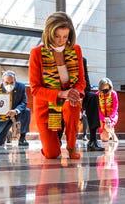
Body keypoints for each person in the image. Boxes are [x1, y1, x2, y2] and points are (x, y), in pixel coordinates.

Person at [29, 11, 86, 159]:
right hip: (46, 106)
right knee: (52, 154)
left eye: (65, 37)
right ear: (49, 33)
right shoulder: (36, 53)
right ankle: (51, 143)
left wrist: (75, 93)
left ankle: (72, 146)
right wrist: (61, 94)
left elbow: (81, 81)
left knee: (73, 104)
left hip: (69, 101)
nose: (61, 41)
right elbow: (35, 89)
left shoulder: (76, 50)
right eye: (57, 36)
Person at [0, 70, 31, 146]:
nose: (9, 85)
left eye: (12, 83)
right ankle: (7, 134)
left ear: (15, 81)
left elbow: (24, 102)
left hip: (16, 113)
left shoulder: (21, 86)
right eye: (6, 83)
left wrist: (16, 111)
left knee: (26, 111)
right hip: (3, 116)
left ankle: (22, 138)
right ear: (3, 81)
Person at [81, 58, 106, 152]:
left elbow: (87, 84)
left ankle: (92, 140)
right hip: (64, 94)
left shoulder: (82, 60)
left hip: (79, 94)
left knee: (93, 97)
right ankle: (57, 139)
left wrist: (80, 95)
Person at [97, 77, 119, 143]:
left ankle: (112, 134)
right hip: (101, 117)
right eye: (104, 88)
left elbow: (115, 106)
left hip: (112, 116)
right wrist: (104, 118)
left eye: (107, 88)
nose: (106, 90)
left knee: (108, 125)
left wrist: (110, 118)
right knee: (104, 139)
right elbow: (97, 109)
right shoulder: (97, 95)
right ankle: (109, 132)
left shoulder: (113, 94)